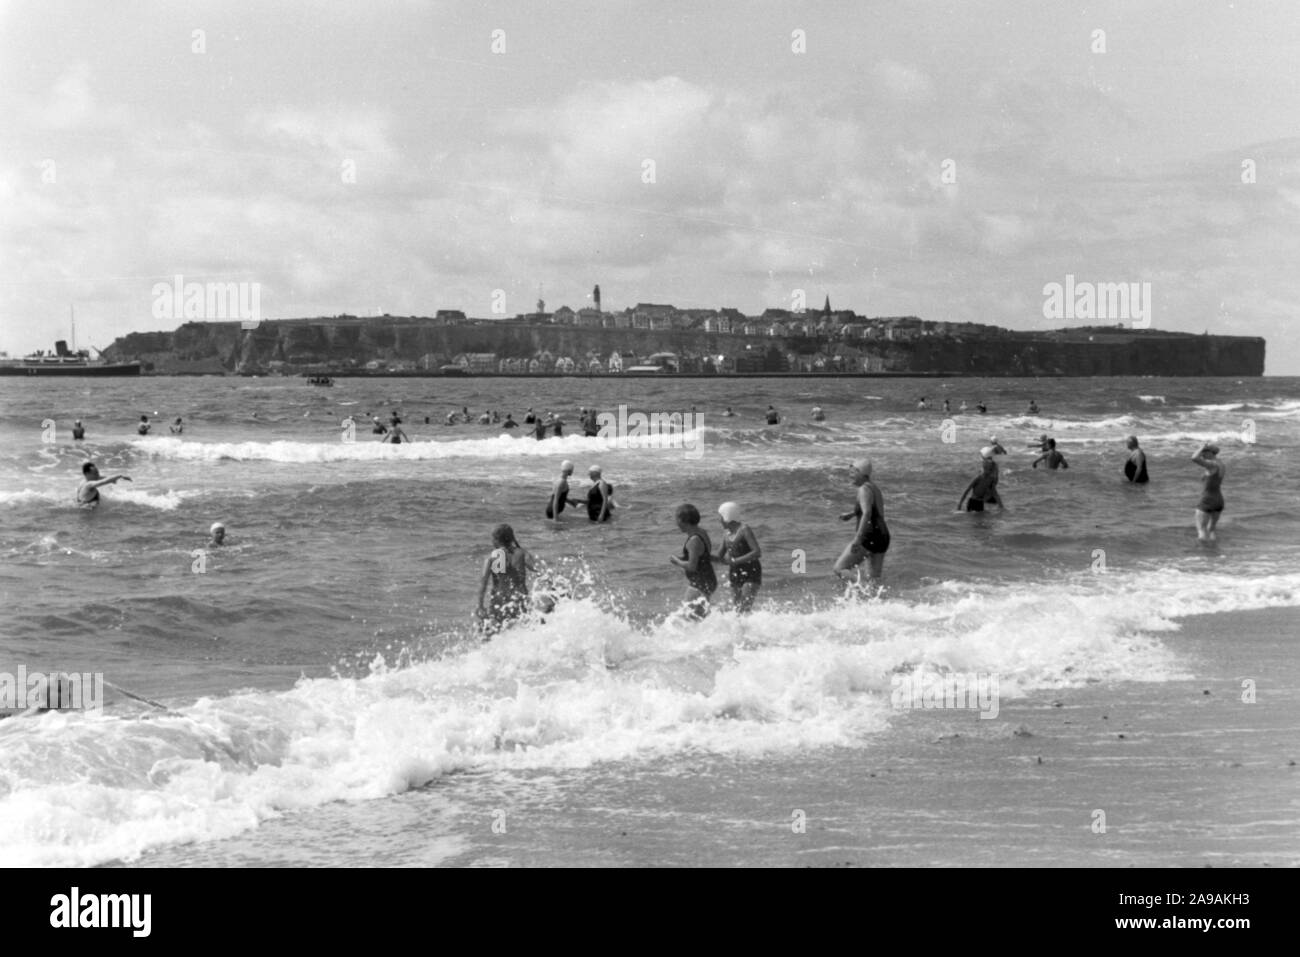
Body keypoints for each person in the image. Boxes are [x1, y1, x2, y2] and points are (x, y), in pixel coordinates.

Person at [833, 458, 890, 584]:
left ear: (862, 473)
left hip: (869, 535)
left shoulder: (863, 489)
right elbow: (873, 510)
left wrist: (858, 539)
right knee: (873, 578)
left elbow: (867, 513)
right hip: (882, 535)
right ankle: (875, 599)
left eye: (853, 472)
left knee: (840, 568)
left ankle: (862, 588)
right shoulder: (874, 487)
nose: (850, 475)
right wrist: (853, 514)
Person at [475, 524, 536, 638]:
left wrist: (480, 605)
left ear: (496, 540)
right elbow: (538, 570)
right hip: (519, 599)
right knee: (522, 632)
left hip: (499, 600)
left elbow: (483, 583)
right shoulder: (522, 554)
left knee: (489, 634)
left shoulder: (491, 557)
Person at [669, 504, 716, 618]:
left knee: (683, 620)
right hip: (707, 580)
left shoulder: (694, 540)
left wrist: (677, 561)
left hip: (700, 583)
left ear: (683, 520)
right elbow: (703, 556)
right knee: (697, 619)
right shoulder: (702, 532)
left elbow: (692, 566)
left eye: (677, 520)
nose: (676, 523)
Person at [717, 502, 762, 612]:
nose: (719, 520)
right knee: (737, 610)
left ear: (728, 516)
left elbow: (757, 552)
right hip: (735, 572)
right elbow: (719, 556)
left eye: (721, 517)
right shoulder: (726, 533)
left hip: (751, 572)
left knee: (744, 609)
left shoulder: (744, 529)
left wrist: (735, 561)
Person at [1192, 443, 1225, 541]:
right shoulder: (1221, 464)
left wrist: (1200, 447)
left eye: (1204, 452)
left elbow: (1194, 458)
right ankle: (1214, 552)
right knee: (1211, 530)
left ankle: (1203, 554)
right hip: (1219, 500)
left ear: (1211, 453)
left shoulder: (1212, 465)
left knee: (1201, 530)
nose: (1202, 454)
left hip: (1207, 500)